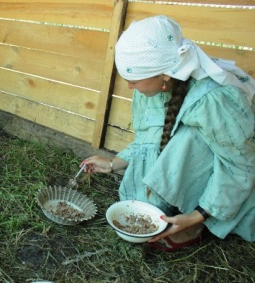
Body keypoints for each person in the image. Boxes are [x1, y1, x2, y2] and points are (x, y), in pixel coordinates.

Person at [82, 15, 255, 251]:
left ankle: (194, 225)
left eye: (133, 80)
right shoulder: (151, 90)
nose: (129, 87)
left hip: (228, 173)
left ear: (164, 74)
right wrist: (114, 163)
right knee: (145, 203)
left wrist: (199, 215)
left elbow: (241, 164)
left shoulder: (213, 100)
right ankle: (174, 207)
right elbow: (148, 139)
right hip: (191, 166)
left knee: (188, 139)